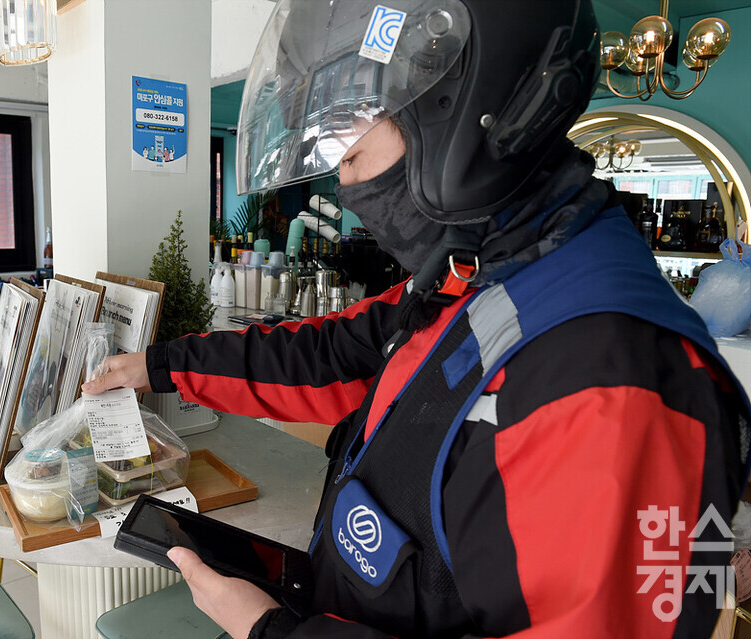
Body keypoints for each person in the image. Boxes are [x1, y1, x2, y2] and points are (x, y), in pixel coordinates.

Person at [84, 1, 750, 636]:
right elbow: (333, 355)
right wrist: (162, 366)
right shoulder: (475, 276)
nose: (346, 185)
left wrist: (275, 630)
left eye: (349, 149)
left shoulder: (616, 390)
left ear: (461, 115)